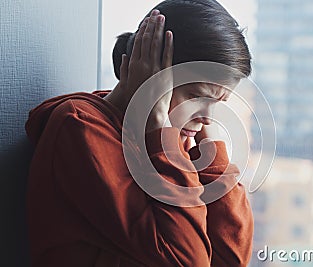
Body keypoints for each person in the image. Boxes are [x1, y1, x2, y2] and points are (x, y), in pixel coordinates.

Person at [25, 0, 254, 266]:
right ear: (150, 75)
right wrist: (158, 125)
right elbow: (189, 261)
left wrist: (206, 144)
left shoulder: (173, 142)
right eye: (195, 96)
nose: (206, 119)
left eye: (218, 103)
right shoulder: (80, 129)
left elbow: (232, 259)